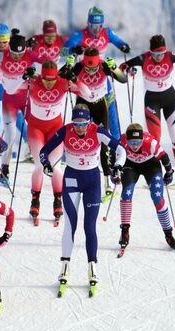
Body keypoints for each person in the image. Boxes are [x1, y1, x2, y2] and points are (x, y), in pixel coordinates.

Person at [39, 104, 126, 291]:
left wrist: (118, 165)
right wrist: (46, 164)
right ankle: (64, 268)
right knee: (70, 224)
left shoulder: (98, 131)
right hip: (71, 178)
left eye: (83, 123)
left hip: (92, 181)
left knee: (89, 226)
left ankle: (92, 268)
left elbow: (122, 150)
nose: (79, 128)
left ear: (89, 121)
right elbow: (43, 151)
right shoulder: (65, 130)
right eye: (76, 123)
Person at [119, 34, 175, 182]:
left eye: (161, 54)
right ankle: (155, 174)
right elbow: (123, 66)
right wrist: (130, 71)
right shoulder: (144, 58)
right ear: (151, 52)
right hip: (152, 101)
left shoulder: (170, 56)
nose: (159, 57)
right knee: (155, 140)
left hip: (170, 99)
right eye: (155, 54)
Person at [25, 61, 91, 224]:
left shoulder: (63, 83)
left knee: (56, 168)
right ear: (41, 77)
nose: (48, 84)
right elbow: (11, 89)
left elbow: (88, 94)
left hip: (56, 130)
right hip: (36, 129)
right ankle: (35, 200)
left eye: (52, 80)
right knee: (40, 166)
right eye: (46, 81)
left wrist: (75, 79)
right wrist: (23, 78)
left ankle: (57, 201)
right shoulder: (33, 82)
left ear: (57, 77)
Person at [59, 47, 126, 199]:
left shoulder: (103, 65)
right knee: (79, 138)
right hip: (83, 104)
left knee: (103, 142)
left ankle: (107, 181)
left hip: (100, 105)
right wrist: (68, 65)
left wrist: (114, 68)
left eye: (93, 68)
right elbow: (60, 76)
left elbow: (123, 79)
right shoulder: (80, 66)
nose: (90, 71)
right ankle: (77, 172)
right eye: (88, 68)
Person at [0, 29, 40, 187]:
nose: (17, 57)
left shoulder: (29, 54)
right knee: (10, 134)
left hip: (26, 98)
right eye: (14, 53)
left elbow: (48, 60)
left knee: (36, 128)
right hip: (9, 100)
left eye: (20, 54)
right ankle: (4, 171)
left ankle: (45, 160)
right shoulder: (1, 56)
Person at [62, 6, 131, 143]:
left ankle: (118, 148)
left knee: (112, 116)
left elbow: (120, 42)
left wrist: (124, 46)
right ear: (88, 24)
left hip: (101, 77)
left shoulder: (107, 33)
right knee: (85, 118)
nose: (96, 29)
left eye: (99, 25)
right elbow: (62, 52)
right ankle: (84, 147)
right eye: (92, 25)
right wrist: (73, 49)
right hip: (83, 80)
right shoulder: (80, 35)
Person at [115, 123, 175, 252]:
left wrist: (169, 173)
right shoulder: (121, 141)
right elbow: (113, 155)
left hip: (151, 165)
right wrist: (114, 171)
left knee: (157, 197)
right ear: (126, 140)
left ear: (142, 140)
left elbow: (165, 157)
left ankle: (169, 235)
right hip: (130, 165)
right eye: (131, 142)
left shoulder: (151, 143)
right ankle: (125, 231)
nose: (134, 146)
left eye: (138, 142)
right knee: (126, 194)